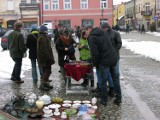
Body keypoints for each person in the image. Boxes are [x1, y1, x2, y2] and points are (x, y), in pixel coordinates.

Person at [85, 25, 118, 106]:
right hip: (113, 58)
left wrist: (95, 63)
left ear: (89, 29)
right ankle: (117, 96)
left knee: (103, 80)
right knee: (114, 78)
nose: (86, 33)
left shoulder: (92, 37)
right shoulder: (104, 32)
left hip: (104, 60)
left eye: (86, 31)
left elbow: (95, 53)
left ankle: (104, 99)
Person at [101, 22, 122, 105]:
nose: (103, 30)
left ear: (106, 27)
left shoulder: (116, 33)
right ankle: (105, 98)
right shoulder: (102, 34)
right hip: (106, 59)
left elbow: (119, 44)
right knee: (105, 79)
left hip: (114, 59)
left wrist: (112, 51)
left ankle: (118, 97)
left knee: (115, 78)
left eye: (104, 28)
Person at [37, 25, 55, 91]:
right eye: (46, 30)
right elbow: (44, 50)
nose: (47, 31)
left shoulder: (43, 37)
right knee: (47, 71)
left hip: (44, 58)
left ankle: (46, 83)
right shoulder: (42, 38)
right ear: (44, 31)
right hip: (45, 58)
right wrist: (48, 58)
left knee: (47, 71)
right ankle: (42, 84)